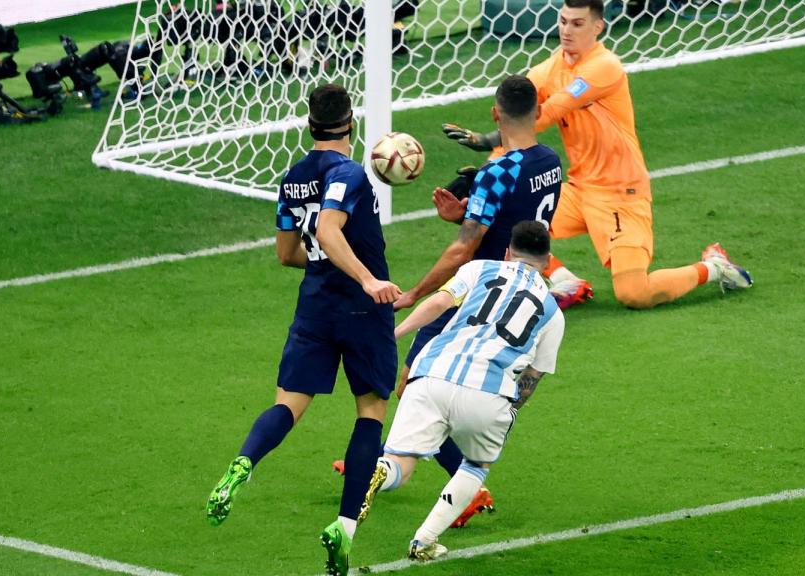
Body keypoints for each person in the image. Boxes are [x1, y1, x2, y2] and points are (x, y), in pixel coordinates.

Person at [333, 74, 563, 529]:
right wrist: (466, 214)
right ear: (537, 113)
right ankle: (392, 459)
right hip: (514, 288)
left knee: (415, 383)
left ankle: (454, 482)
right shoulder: (550, 161)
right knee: (420, 383)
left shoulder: (498, 172)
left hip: (478, 291)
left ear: (495, 113)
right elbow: (513, 225)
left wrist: (414, 293)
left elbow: (463, 250)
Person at [204, 83, 400, 576]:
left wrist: (324, 264)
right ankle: (345, 527)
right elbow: (330, 230)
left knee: (287, 405)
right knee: (371, 411)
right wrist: (367, 279)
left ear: (310, 125)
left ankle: (245, 461)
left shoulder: (292, 178)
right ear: (351, 124)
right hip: (363, 309)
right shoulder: (350, 173)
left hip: (314, 307)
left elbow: (287, 253)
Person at [441, 0, 752, 310]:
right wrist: (489, 173)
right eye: (563, 21)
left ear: (597, 27)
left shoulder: (605, 66)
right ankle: (565, 280)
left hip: (621, 194)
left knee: (635, 294)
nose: (567, 30)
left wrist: (487, 139)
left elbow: (553, 109)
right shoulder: (548, 70)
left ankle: (714, 267)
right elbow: (516, 117)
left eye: (577, 24)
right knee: (498, 214)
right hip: (579, 189)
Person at [361, 220, 565, 560]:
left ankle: (383, 471)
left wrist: (393, 335)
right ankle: (423, 541)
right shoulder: (553, 313)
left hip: (431, 374)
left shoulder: (479, 268)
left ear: (507, 253)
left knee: (400, 462)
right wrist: (513, 409)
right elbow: (534, 374)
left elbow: (438, 303)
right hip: (488, 393)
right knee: (475, 465)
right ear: (547, 262)